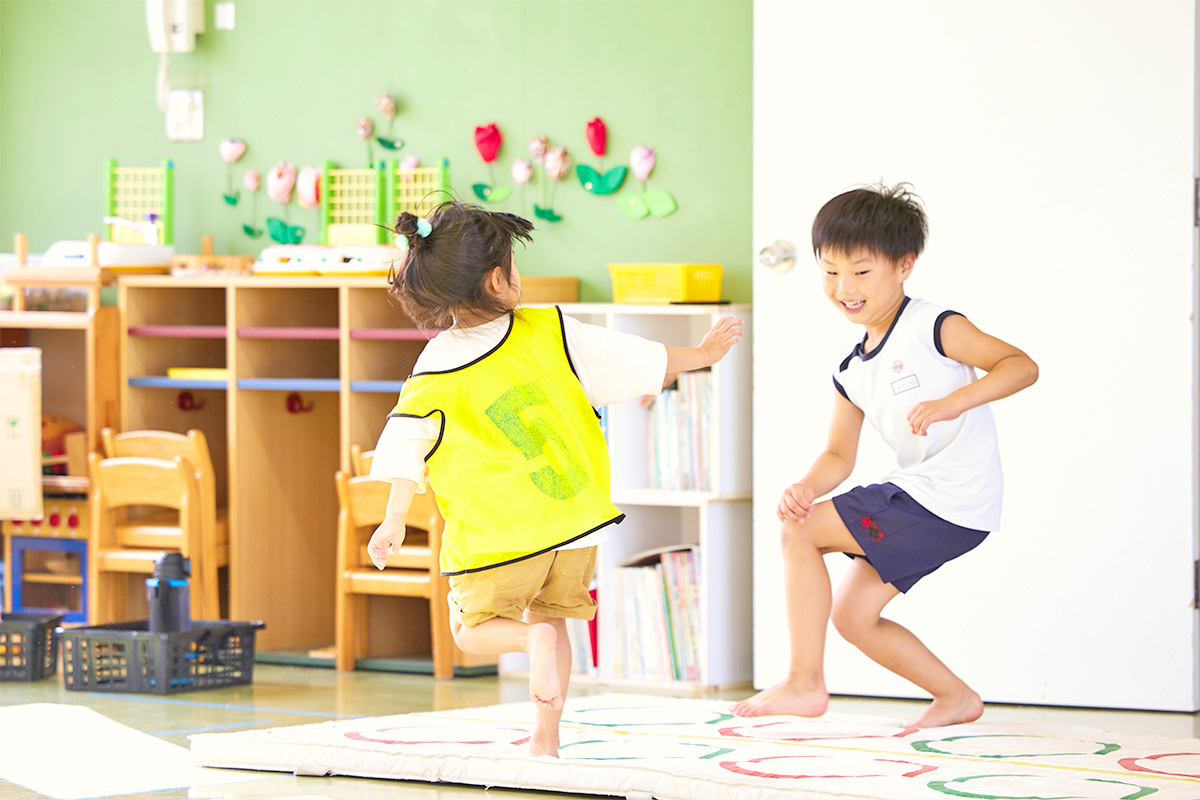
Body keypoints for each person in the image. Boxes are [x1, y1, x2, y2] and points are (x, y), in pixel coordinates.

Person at [366, 201, 744, 757]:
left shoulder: (435, 368)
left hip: (500, 535)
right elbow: (636, 357)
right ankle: (546, 740)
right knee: (556, 619)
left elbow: (407, 442)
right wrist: (704, 352)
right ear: (498, 280)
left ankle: (527, 643)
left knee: (471, 631)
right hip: (574, 521)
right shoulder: (554, 328)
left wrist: (394, 519)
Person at [732, 183, 1037, 728]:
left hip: (947, 496)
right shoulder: (851, 369)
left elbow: (1019, 365)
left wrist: (953, 402)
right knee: (853, 617)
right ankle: (956, 699)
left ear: (904, 266)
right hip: (934, 501)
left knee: (800, 535)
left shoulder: (933, 325)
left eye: (861, 272)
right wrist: (806, 486)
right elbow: (837, 455)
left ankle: (804, 682)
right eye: (830, 272)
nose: (844, 288)